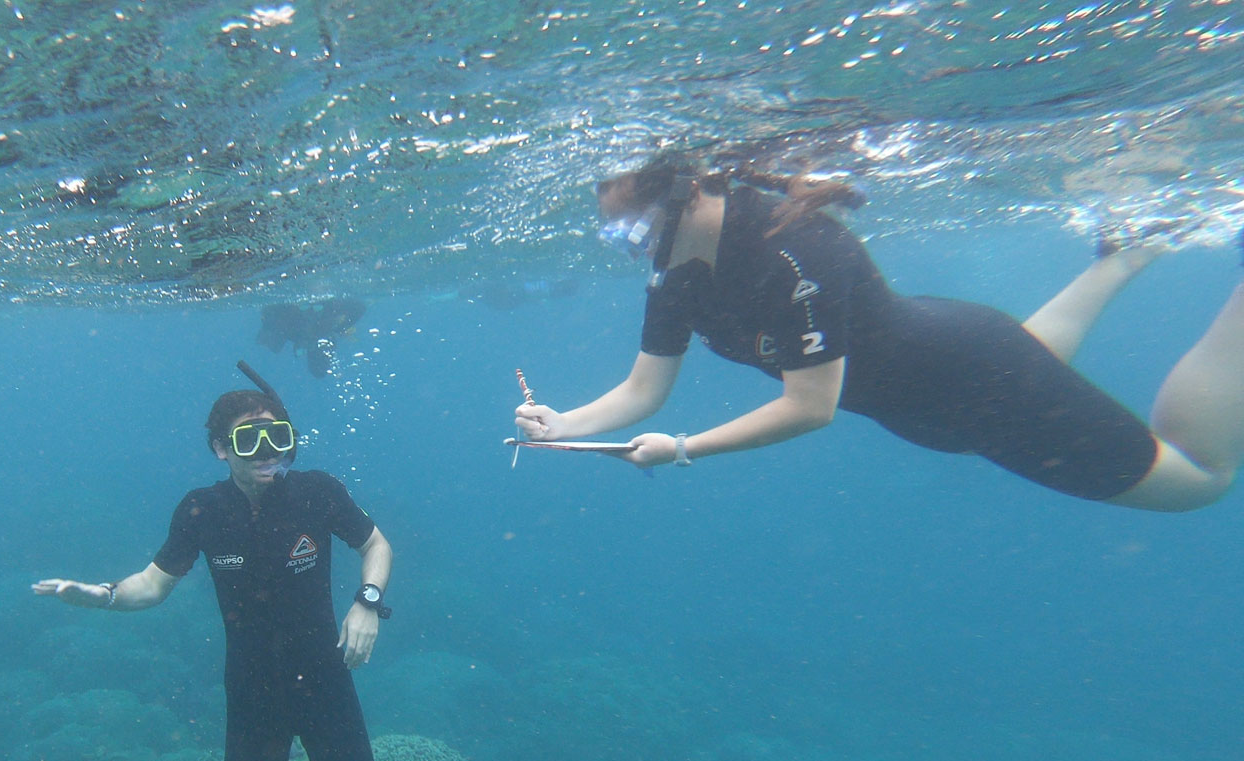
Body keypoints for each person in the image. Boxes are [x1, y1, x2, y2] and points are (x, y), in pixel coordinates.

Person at [515, 153, 1244, 510]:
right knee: (1034, 356)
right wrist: (562, 423)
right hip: (931, 400)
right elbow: (645, 388)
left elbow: (810, 406)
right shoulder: (677, 270)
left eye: (637, 226)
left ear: (692, 191)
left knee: (1199, 479)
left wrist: (683, 449)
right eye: (620, 234)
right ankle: (1131, 252)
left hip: (984, 382)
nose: (636, 245)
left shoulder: (794, 250)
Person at [33, 373, 412, 761]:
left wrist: (368, 603)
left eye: (278, 438)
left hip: (324, 685)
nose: (267, 451)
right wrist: (98, 596)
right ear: (219, 448)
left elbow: (375, 545)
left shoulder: (317, 494)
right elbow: (152, 585)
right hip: (253, 694)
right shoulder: (201, 511)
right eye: (249, 439)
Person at [256, 297, 366, 377]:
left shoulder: (294, 333)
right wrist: (340, 327)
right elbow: (359, 307)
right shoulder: (326, 316)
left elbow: (269, 314)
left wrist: (340, 327)